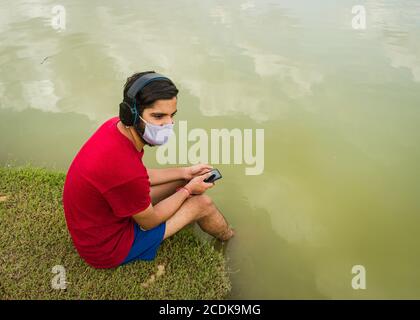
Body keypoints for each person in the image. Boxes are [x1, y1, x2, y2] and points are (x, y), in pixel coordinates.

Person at [62, 71, 234, 269]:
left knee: (187, 180)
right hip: (107, 248)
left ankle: (189, 200)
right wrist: (188, 191)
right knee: (203, 204)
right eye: (158, 116)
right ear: (131, 114)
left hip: (102, 221)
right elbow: (149, 221)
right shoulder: (124, 170)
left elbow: (141, 176)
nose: (168, 124)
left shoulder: (115, 128)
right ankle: (229, 238)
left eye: (172, 115)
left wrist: (185, 172)